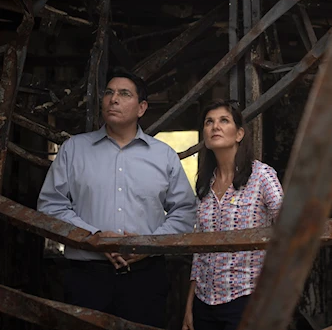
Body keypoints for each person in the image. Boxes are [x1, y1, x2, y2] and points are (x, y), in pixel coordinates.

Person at [37, 67, 197, 327]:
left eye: (124, 94)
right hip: (87, 277)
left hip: (145, 278)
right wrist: (95, 235)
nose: (113, 99)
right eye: (109, 93)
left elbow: (186, 211)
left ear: (142, 108)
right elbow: (50, 206)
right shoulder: (74, 149)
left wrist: (147, 244)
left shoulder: (163, 155)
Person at [182, 99, 284, 330]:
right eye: (209, 122)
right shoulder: (204, 185)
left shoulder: (262, 176)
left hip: (248, 298)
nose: (215, 126)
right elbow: (200, 251)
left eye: (223, 121)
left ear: (239, 134)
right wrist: (189, 306)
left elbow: (288, 233)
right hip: (204, 302)